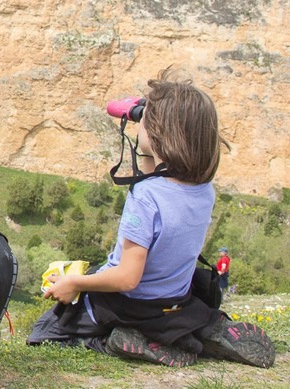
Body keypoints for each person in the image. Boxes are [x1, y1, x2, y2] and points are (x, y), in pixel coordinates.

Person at [27, 67, 275, 369]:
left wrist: (74, 282)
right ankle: (196, 329)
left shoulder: (145, 196)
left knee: (48, 330)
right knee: (169, 308)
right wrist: (150, 122)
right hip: (174, 301)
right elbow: (162, 175)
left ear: (159, 136)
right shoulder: (203, 190)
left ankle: (115, 342)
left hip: (131, 305)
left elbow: (127, 278)